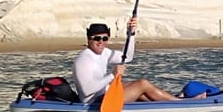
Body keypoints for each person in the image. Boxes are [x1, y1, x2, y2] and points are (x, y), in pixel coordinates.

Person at [73, 19, 204, 104]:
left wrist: (131, 34)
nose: (101, 42)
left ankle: (166, 103)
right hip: (95, 102)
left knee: (136, 86)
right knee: (142, 84)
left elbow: (127, 57)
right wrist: (112, 75)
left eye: (104, 38)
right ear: (89, 39)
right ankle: (181, 103)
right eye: (96, 38)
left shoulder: (104, 52)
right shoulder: (84, 60)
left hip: (105, 94)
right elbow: (87, 90)